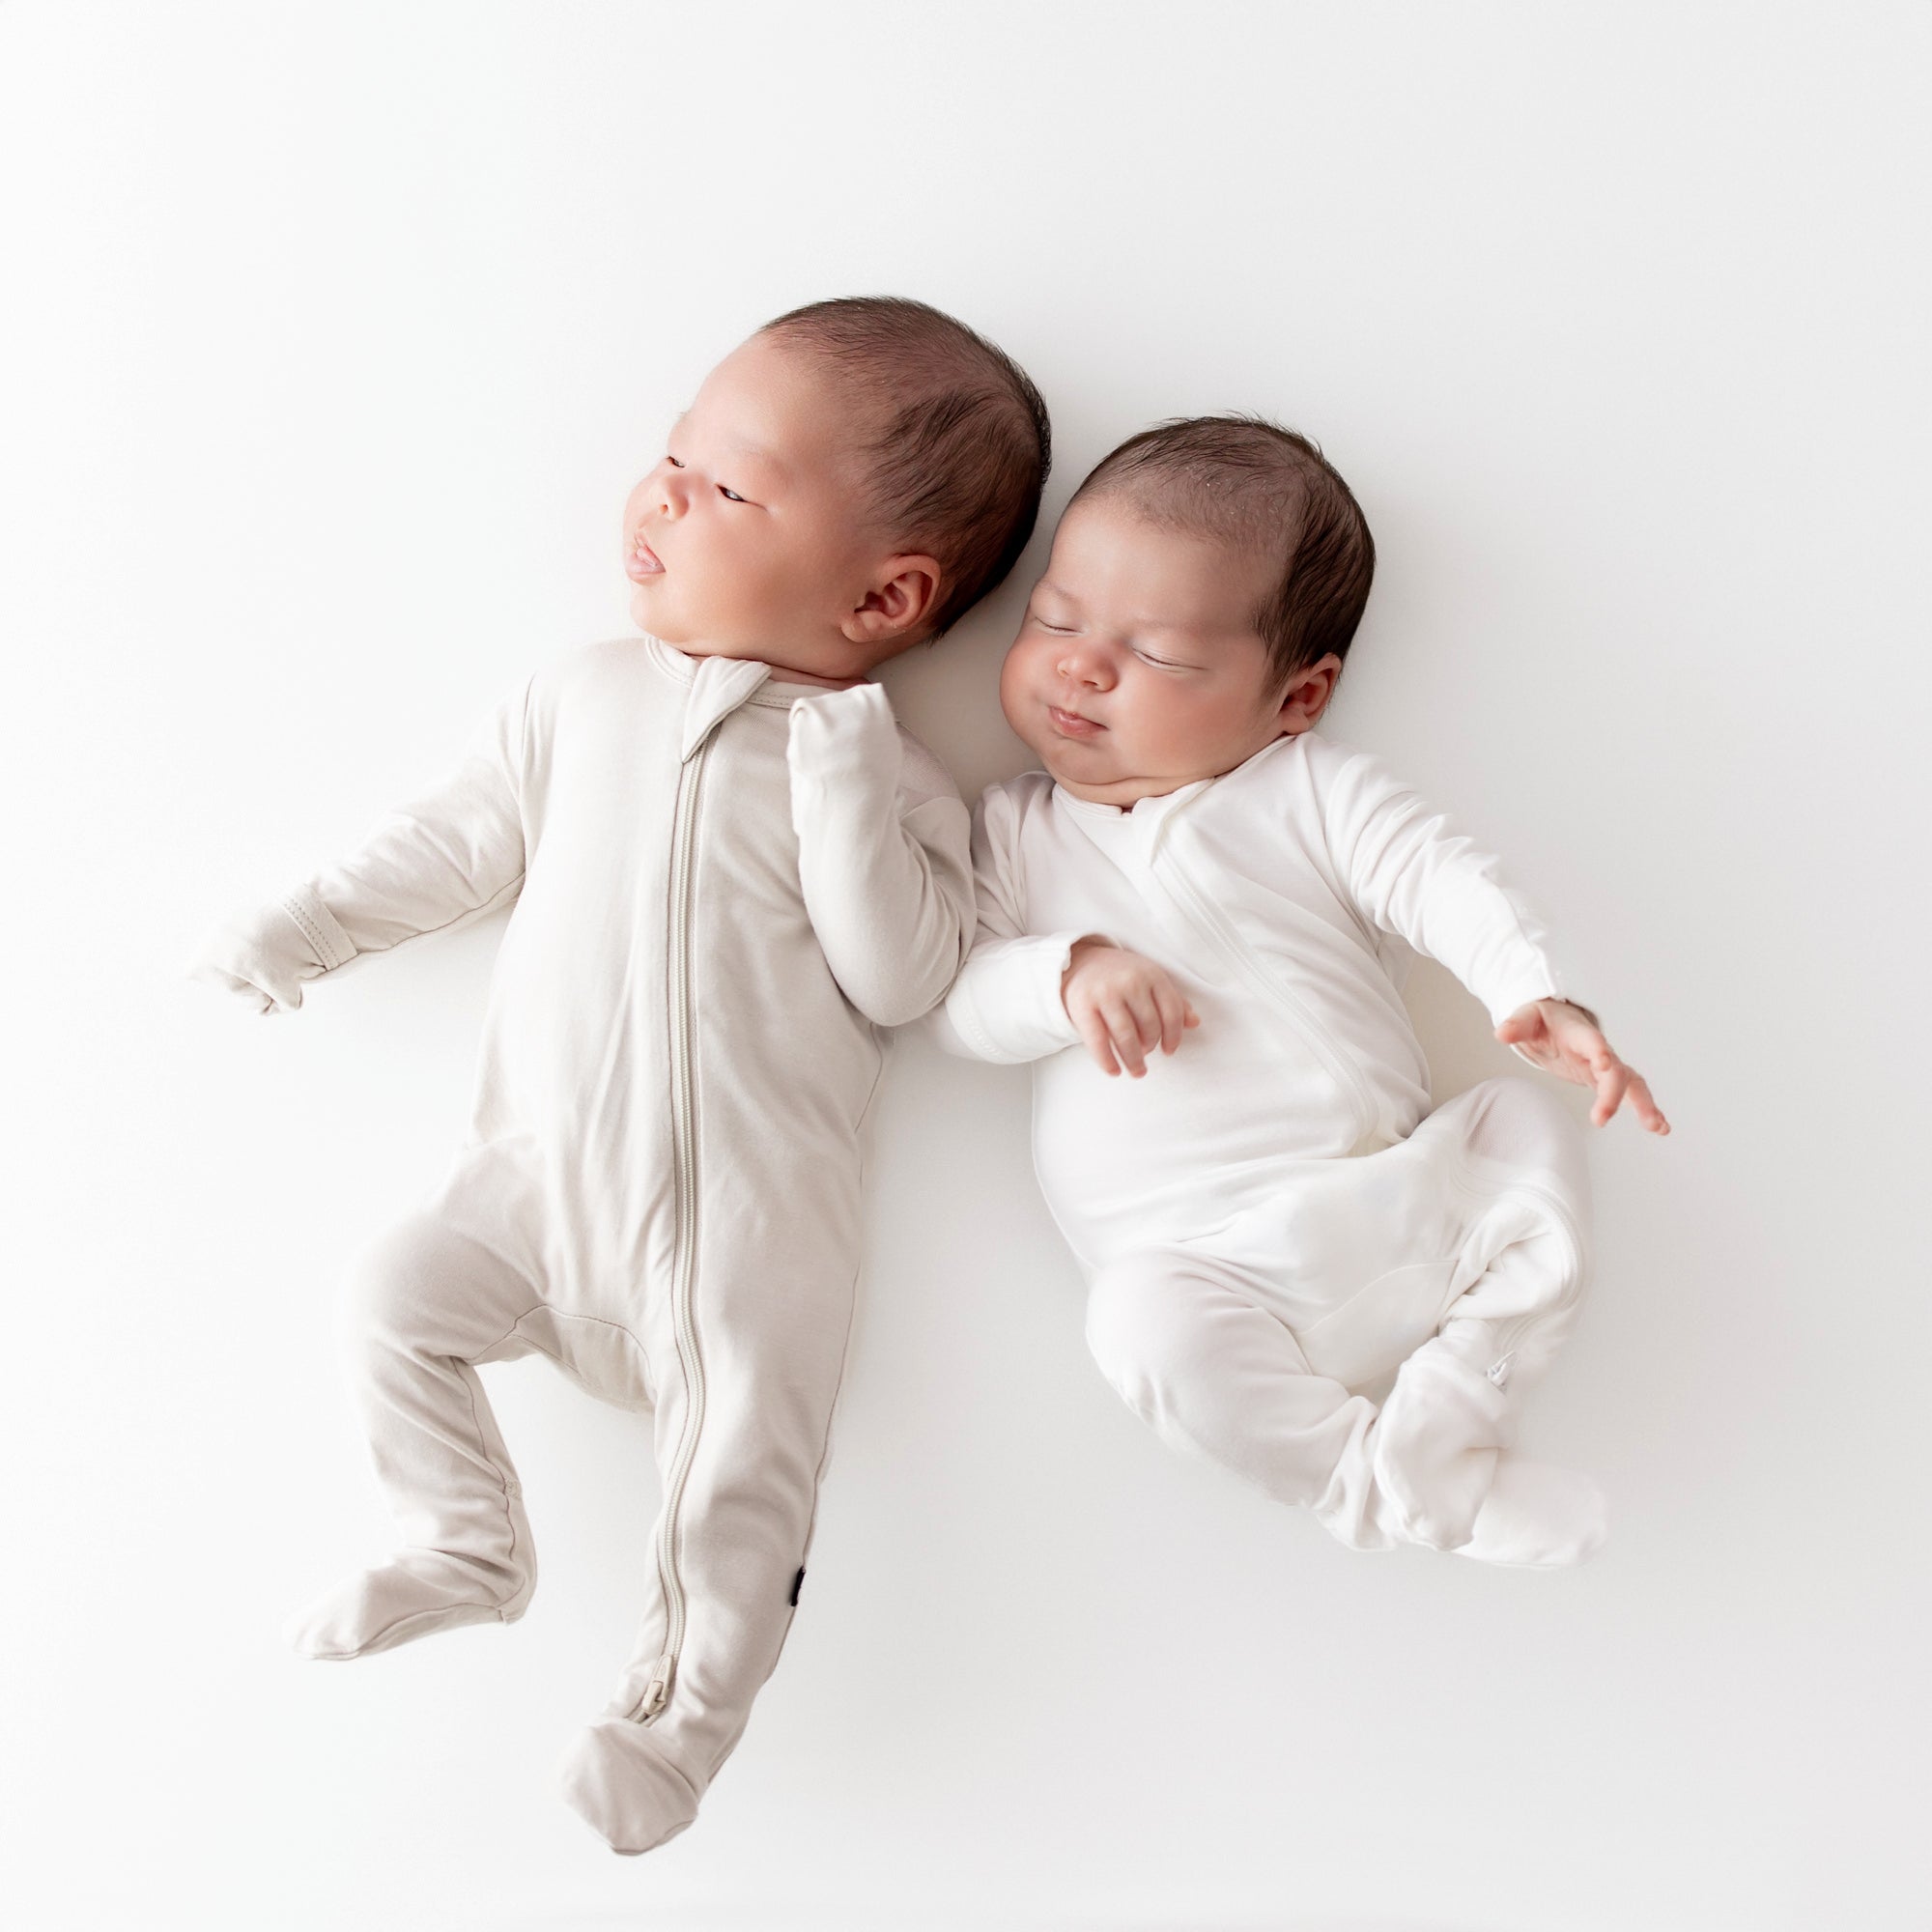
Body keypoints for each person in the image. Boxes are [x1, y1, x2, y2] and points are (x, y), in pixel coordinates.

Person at [190, 297, 1050, 1855]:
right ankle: (461, 1538)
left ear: (887, 594)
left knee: (740, 1491)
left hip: (744, 1239)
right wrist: (308, 924)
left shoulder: (890, 780)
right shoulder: (580, 695)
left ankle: (678, 1726)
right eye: (671, 457)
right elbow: (455, 846)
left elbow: (902, 975)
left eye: (727, 489)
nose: (660, 496)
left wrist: (852, 779)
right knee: (390, 1296)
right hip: (531, 1189)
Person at [933, 415, 1667, 1570]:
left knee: (1518, 1128)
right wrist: (1062, 972)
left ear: (1295, 696)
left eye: (1160, 654)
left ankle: (1455, 1408)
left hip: (1397, 1199)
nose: (1080, 665)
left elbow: (1434, 873)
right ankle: (1372, 1488)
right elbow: (955, 1000)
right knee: (1131, 1324)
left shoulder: (1304, 791)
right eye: (1056, 619)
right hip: (1200, 1264)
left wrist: (1525, 989)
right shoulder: (1014, 833)